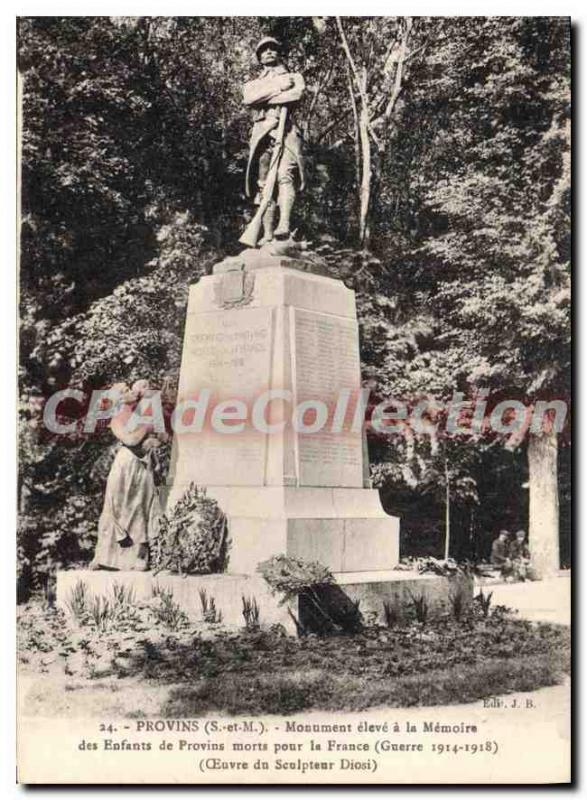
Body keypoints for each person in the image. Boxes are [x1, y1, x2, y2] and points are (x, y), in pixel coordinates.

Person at [90, 380, 163, 571]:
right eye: (127, 390)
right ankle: (105, 555)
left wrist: (154, 439)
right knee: (115, 506)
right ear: (120, 399)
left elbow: (160, 436)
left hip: (142, 464)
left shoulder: (140, 412)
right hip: (125, 464)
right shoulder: (117, 419)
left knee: (141, 505)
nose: (132, 391)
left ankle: (141, 554)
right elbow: (132, 439)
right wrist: (147, 429)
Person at [243, 36, 305, 244]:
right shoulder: (253, 84)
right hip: (262, 133)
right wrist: (279, 88)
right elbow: (249, 99)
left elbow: (296, 95)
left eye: (273, 49)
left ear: (279, 53)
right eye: (264, 50)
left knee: (284, 176)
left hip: (286, 132)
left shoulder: (294, 77)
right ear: (259, 57)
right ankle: (267, 233)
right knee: (264, 185)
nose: (269, 52)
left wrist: (267, 96)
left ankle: (284, 224)